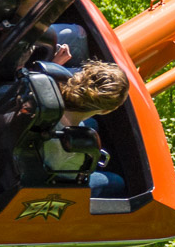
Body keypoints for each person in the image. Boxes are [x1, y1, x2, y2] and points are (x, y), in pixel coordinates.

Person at [44, 60, 128, 197]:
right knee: (116, 181)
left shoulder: (47, 92)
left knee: (92, 123)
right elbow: (69, 176)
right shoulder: (75, 148)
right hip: (52, 176)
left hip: (24, 145)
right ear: (105, 111)